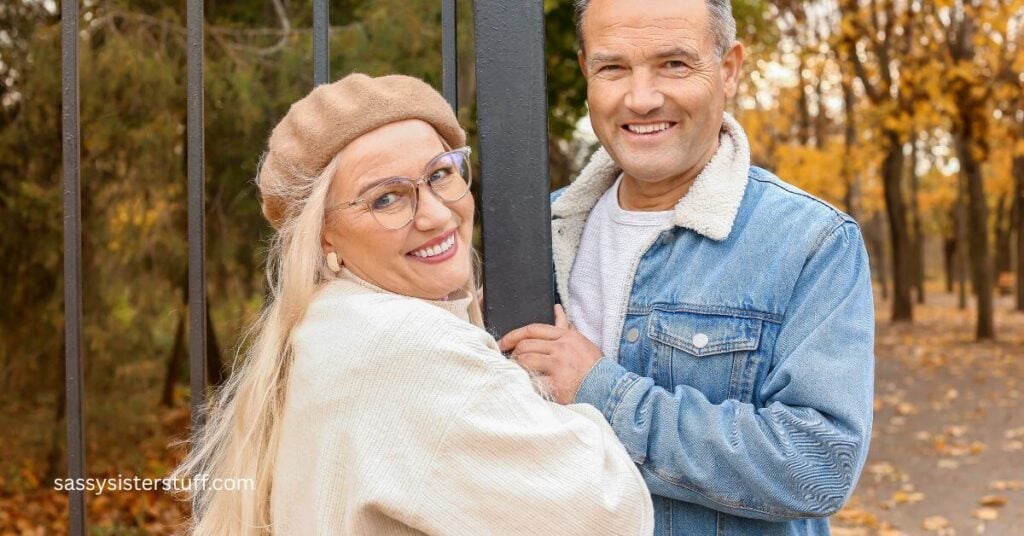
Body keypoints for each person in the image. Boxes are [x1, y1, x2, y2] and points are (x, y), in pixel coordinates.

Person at [173, 73, 654, 535]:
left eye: (440, 174)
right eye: (386, 199)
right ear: (322, 235)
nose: (436, 213)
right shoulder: (405, 348)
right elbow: (609, 514)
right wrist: (587, 388)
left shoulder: (328, 325)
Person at [499, 0, 875, 534]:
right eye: (613, 67)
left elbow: (818, 466)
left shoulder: (810, 241)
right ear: (586, 71)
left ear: (729, 70)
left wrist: (600, 390)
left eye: (674, 64)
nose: (642, 98)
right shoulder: (538, 234)